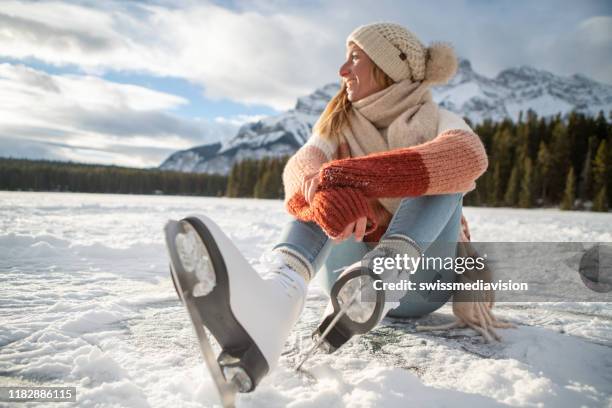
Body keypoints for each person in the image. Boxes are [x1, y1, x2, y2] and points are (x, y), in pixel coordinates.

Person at [165, 22, 510, 394]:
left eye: (355, 58)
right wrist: (328, 194)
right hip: (349, 281)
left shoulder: (436, 119)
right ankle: (279, 300)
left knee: (444, 174)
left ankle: (385, 271)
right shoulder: (338, 123)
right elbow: (299, 169)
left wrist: (350, 176)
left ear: (389, 66)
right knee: (318, 191)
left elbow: (469, 156)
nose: (343, 70)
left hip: (422, 283)